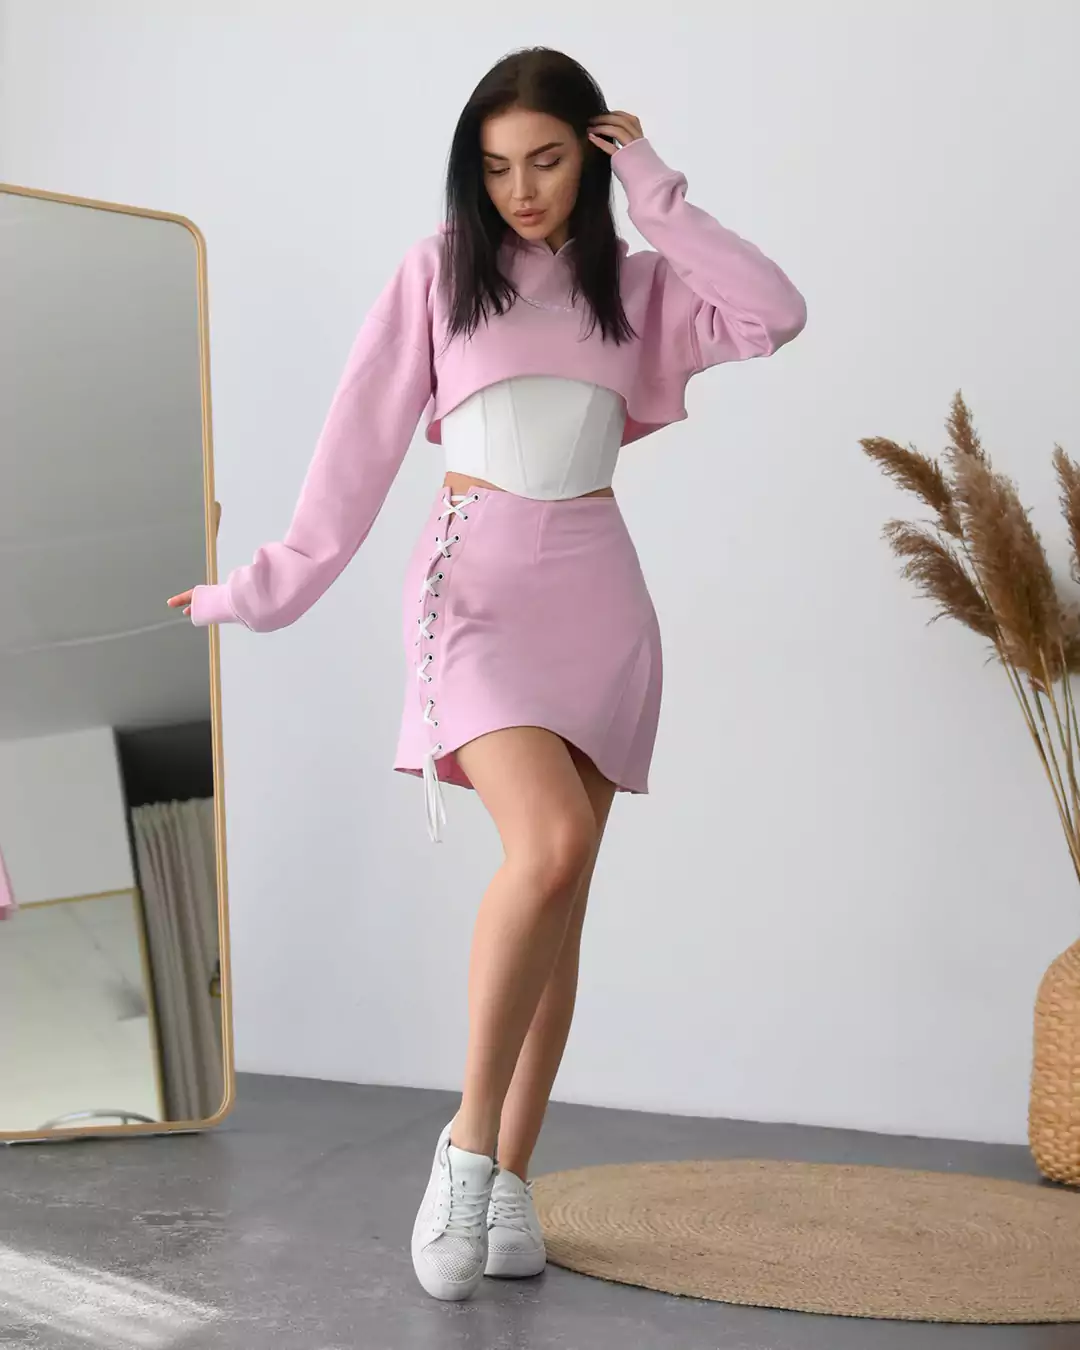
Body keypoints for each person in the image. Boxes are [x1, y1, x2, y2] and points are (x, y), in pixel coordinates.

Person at [168, 46, 806, 1302]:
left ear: (592, 155)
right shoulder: (439, 273)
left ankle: (512, 1177)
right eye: (499, 166)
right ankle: (466, 1149)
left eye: (549, 160)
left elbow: (773, 313)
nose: (522, 190)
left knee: (562, 898)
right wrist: (257, 590)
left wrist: (660, 189)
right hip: (475, 591)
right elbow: (352, 459)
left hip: (601, 597)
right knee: (549, 847)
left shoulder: (639, 286)